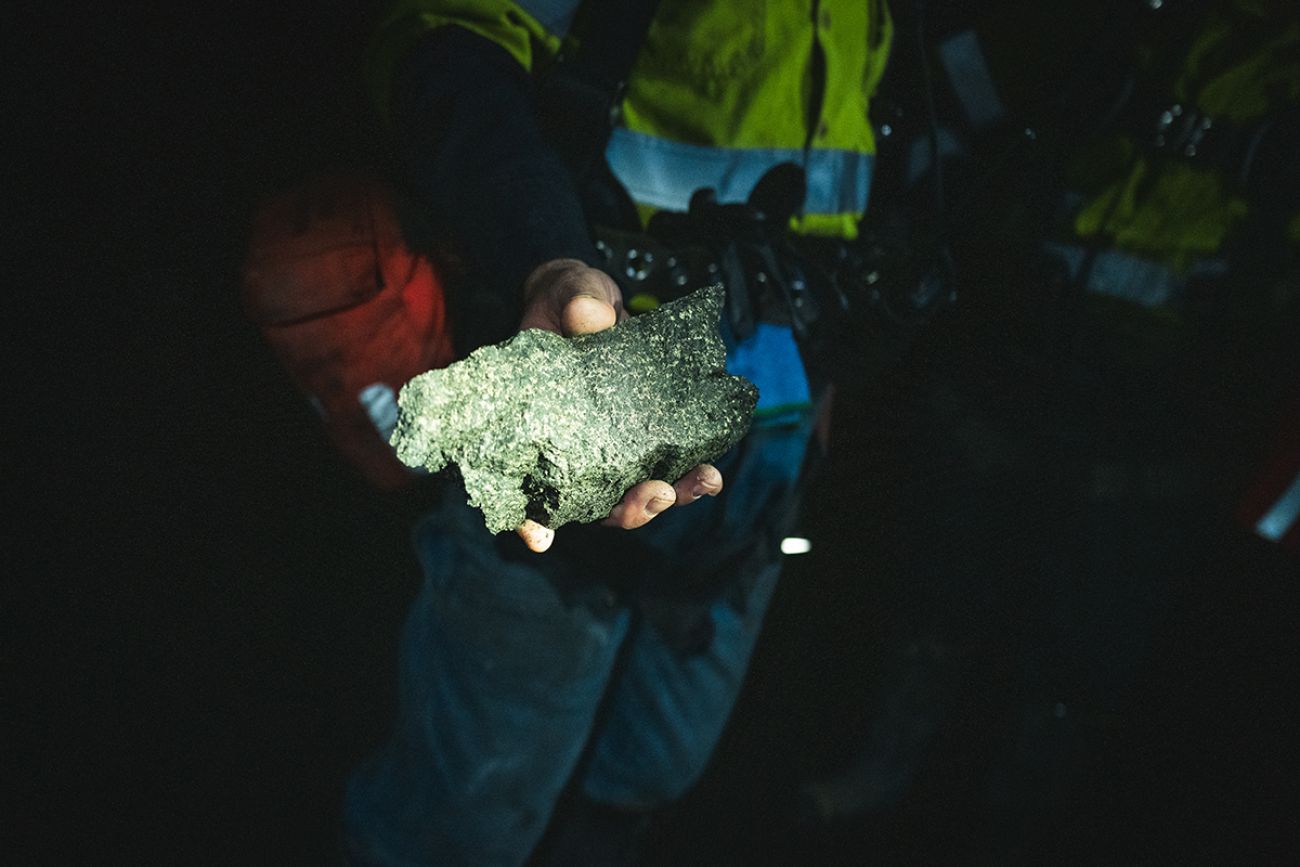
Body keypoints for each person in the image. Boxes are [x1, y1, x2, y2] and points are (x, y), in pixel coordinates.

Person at [341, 2, 894, 864]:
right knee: (471, 808)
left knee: (649, 771)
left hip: (765, 444)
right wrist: (545, 255)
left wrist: (821, 383)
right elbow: (439, 31)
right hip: (573, 411)